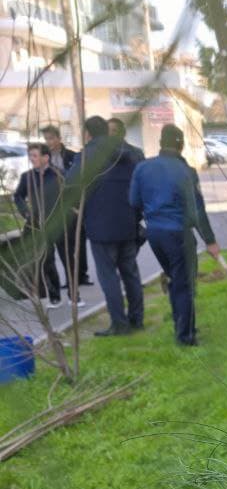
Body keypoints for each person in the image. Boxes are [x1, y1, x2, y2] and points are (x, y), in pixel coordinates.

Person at [130, 124, 221, 346]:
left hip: (155, 234)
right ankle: (185, 336)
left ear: (161, 143)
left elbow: (133, 202)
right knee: (184, 284)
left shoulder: (142, 168)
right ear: (180, 145)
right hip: (179, 233)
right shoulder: (185, 171)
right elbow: (196, 209)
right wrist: (210, 240)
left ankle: (183, 323)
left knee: (175, 278)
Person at [66, 115, 144, 336]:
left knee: (108, 276)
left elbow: (70, 186)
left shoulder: (86, 156)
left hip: (100, 226)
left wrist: (76, 209)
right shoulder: (129, 154)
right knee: (130, 273)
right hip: (128, 222)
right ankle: (136, 320)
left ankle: (119, 324)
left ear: (88, 133)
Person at [13, 143, 83, 309]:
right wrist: (26, 213)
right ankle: (54, 297)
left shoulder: (59, 174)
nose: (32, 159)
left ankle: (74, 297)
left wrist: (74, 210)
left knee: (68, 259)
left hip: (61, 224)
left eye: (35, 156)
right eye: (30, 156)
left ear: (46, 157)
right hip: (39, 225)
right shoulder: (27, 177)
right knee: (46, 261)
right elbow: (18, 197)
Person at [41, 123, 90, 286]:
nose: (49, 142)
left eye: (51, 138)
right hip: (56, 207)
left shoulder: (72, 156)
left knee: (79, 240)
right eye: (46, 139)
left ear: (59, 138)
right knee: (64, 244)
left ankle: (82, 275)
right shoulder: (43, 159)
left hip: (74, 204)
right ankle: (70, 279)